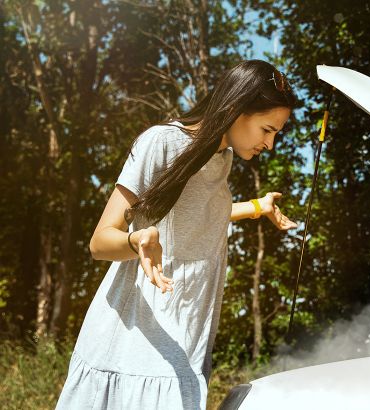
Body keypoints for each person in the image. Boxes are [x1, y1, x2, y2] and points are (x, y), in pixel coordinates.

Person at [55, 60, 298, 409]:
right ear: (238, 109)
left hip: (187, 336)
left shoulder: (221, 158)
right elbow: (99, 241)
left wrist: (257, 207)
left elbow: (196, 217)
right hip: (135, 343)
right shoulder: (162, 142)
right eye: (267, 129)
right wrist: (135, 241)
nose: (271, 144)